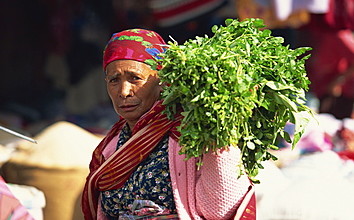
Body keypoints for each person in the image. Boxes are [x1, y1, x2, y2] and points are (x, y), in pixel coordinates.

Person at [81, 29, 256, 220]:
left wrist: (220, 132)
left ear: (162, 81)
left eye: (135, 78)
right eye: (114, 80)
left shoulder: (189, 136)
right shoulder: (110, 148)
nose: (124, 91)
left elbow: (221, 210)